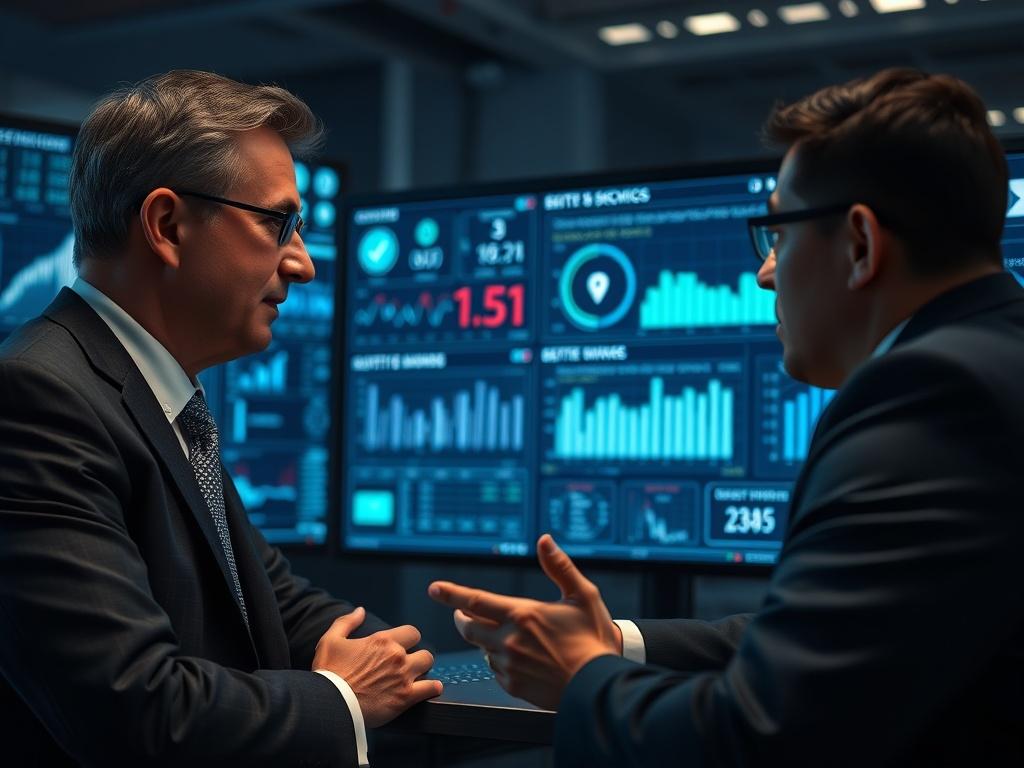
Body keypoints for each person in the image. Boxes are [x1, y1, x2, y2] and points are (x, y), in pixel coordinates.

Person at [429, 67, 1024, 766]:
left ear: (861, 244)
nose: (765, 273)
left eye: (779, 232)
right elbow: (839, 633)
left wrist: (583, 675)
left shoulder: (931, 397)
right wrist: (615, 643)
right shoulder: (994, 361)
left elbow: (761, 738)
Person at [0, 70, 440, 766]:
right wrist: (343, 696)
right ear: (168, 226)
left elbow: (276, 604)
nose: (303, 264)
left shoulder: (159, 401)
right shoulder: (36, 398)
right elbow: (137, 709)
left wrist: (390, 658)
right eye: (276, 224)